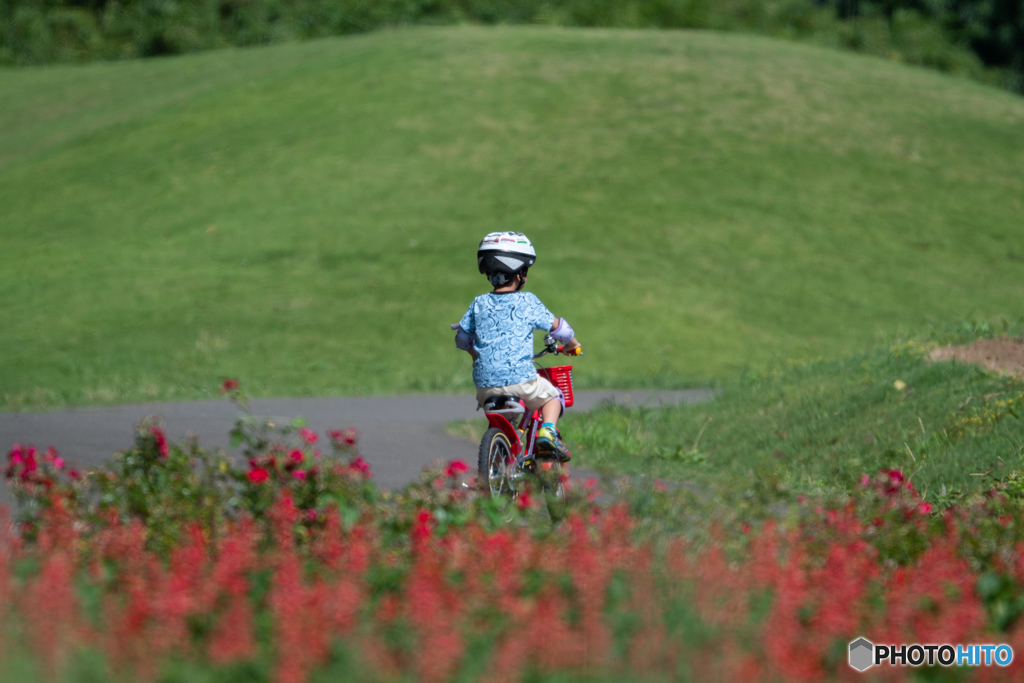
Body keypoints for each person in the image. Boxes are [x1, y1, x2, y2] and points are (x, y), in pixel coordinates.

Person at [453, 231, 581, 461]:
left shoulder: (478, 303)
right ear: (520, 273)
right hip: (521, 382)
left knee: (505, 416)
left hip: (485, 389)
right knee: (553, 395)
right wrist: (572, 344)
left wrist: (475, 356)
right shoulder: (527, 301)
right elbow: (560, 329)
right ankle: (548, 432)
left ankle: (501, 454)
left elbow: (462, 340)